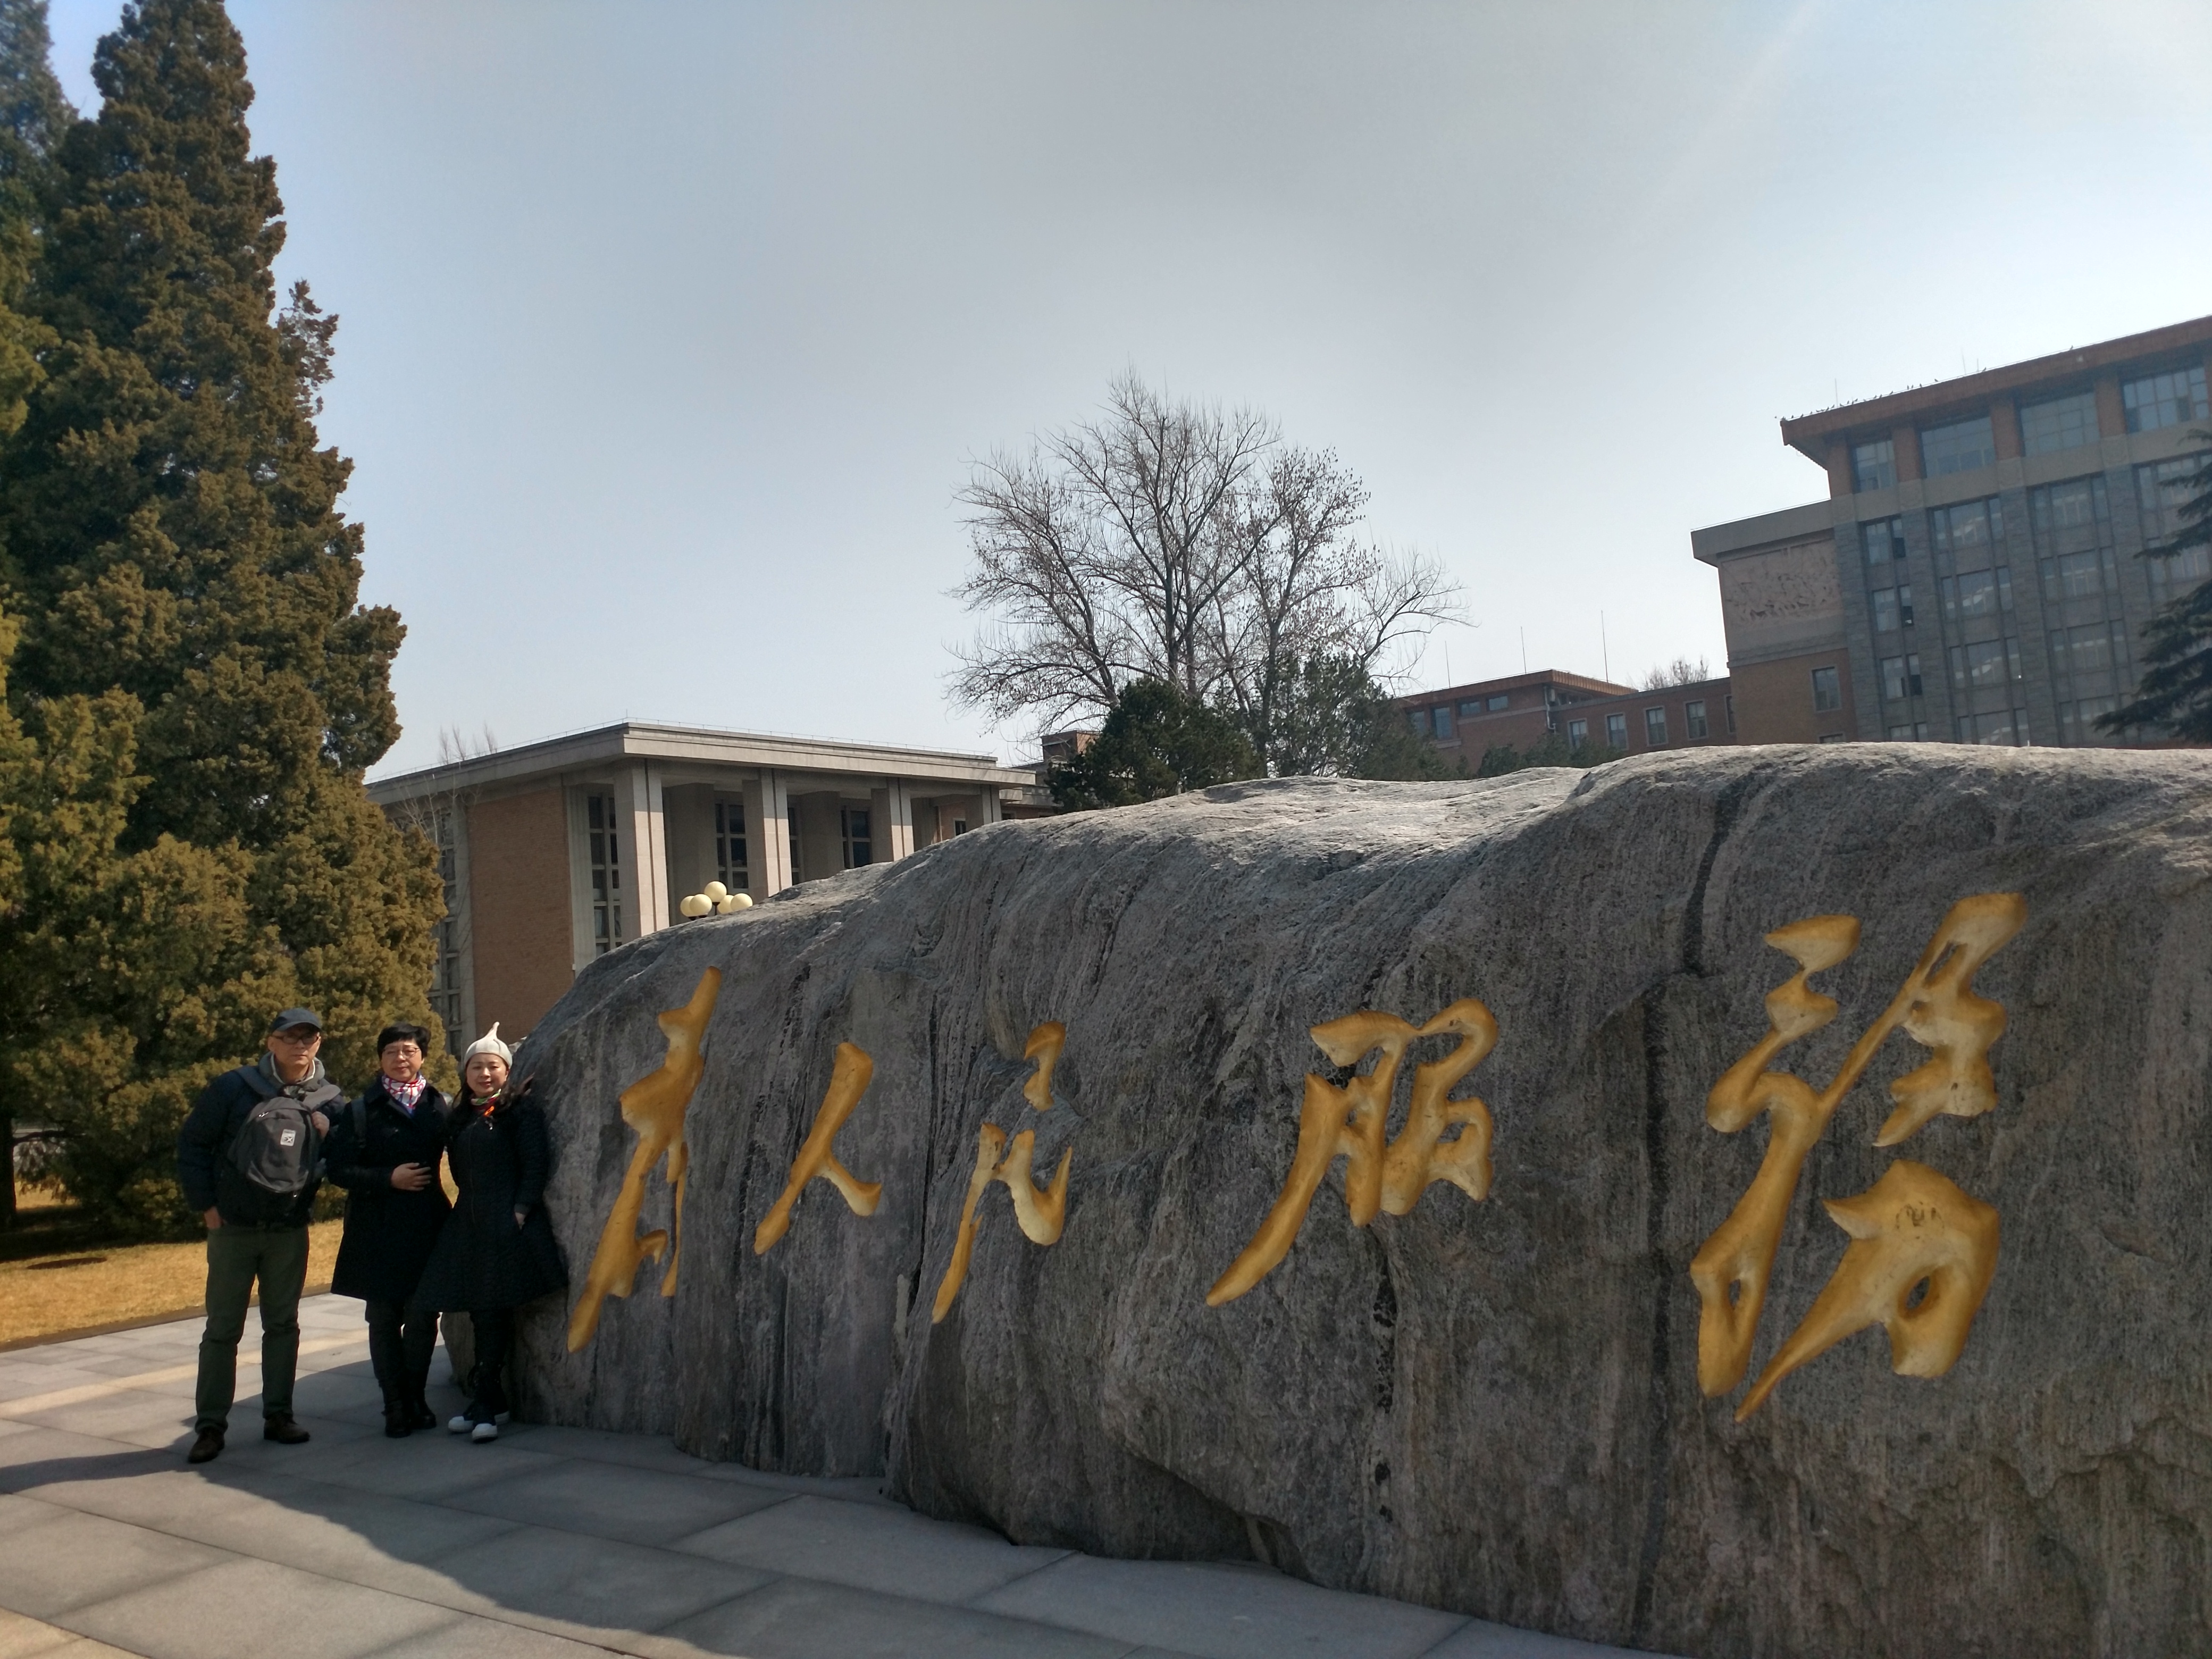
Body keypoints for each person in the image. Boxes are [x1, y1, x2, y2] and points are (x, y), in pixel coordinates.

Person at [175, 1007, 345, 1465]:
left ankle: (279, 1416)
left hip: (289, 1229)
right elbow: (193, 1144)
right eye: (290, 1037)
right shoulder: (234, 1088)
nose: (300, 1045)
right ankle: (210, 1426)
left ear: (318, 1044)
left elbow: (345, 1159)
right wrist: (207, 1207)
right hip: (233, 1228)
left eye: (308, 1038)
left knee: (283, 1325)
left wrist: (331, 1135)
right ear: (271, 1043)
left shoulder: (329, 1099)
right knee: (222, 1329)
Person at [412, 1025, 566, 1443]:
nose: (484, 1073)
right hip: (470, 1221)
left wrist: (521, 1209)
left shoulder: (519, 1111)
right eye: (476, 1066)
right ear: (465, 1073)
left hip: (508, 1221)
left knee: (494, 1308)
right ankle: (490, 1399)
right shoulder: (461, 1116)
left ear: (506, 1071)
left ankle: (485, 1400)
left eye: (493, 1066)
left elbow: (536, 1162)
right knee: (480, 1310)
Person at [322, 1021, 454, 1437]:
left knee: (422, 1318)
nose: (401, 1058)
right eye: (392, 1051)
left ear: (422, 1056)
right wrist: (387, 1178)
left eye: (409, 1051)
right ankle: (394, 1405)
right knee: (383, 1319)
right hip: (376, 1230)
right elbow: (338, 1170)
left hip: (427, 1227)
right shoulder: (361, 1111)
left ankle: (416, 1398)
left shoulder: (438, 1105)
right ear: (380, 1058)